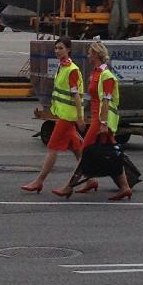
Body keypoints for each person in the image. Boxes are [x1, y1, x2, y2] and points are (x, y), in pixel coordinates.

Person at [51, 41, 133, 201]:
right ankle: (124, 186)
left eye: (90, 53)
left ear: (96, 55)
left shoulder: (106, 76)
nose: (88, 55)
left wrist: (103, 124)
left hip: (102, 121)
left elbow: (106, 101)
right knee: (112, 154)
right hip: (97, 118)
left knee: (85, 152)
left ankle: (69, 186)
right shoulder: (95, 73)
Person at [21, 37, 85, 193]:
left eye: (61, 48)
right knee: (78, 150)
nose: (57, 51)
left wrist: (80, 118)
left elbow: (76, 95)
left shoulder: (71, 70)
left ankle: (39, 181)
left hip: (68, 116)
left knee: (52, 148)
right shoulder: (62, 67)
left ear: (68, 50)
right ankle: (90, 180)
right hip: (62, 114)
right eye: (56, 48)